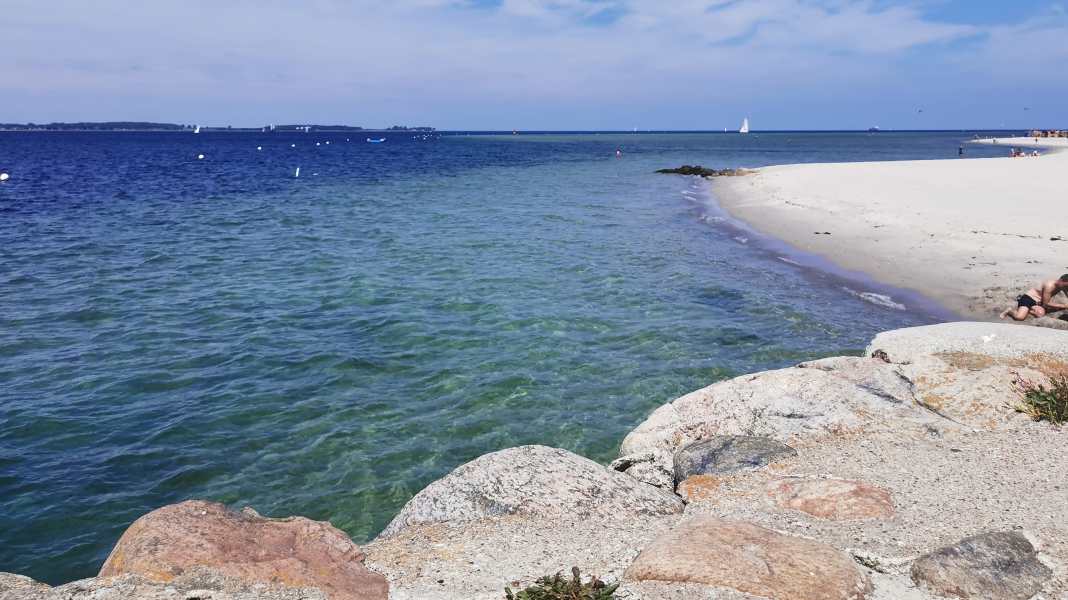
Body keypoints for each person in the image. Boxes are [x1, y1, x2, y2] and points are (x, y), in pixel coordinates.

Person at [1000, 275, 1068, 321]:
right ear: (1060, 280)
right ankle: (1009, 311)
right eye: (1065, 286)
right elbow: (1046, 303)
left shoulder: (1062, 286)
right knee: (1020, 317)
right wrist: (1064, 306)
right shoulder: (1049, 286)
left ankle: (1028, 310)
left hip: (1038, 303)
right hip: (1028, 299)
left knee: (1040, 314)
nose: (1066, 287)